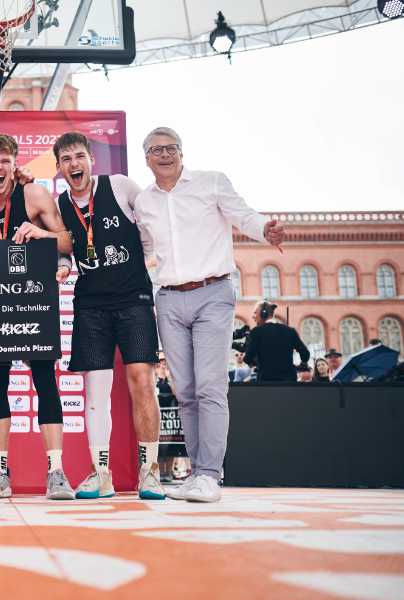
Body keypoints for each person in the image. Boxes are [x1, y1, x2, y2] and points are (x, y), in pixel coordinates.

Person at [133, 127, 285, 503]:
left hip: (213, 294)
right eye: (156, 150)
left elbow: (243, 215)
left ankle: (209, 475)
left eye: (171, 148)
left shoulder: (211, 182)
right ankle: (197, 472)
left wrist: (265, 229)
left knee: (210, 387)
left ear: (182, 153)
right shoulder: (145, 202)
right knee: (184, 391)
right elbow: (143, 246)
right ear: (147, 158)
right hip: (168, 298)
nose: (164, 155)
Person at [0, 133, 75, 500]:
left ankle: (57, 471)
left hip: (33, 298)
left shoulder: (35, 195)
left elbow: (69, 241)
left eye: (4, 161)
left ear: (14, 162)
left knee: (45, 380)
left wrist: (47, 243)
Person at [51, 131, 166, 501]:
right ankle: (101, 474)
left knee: (141, 382)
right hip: (91, 305)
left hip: (133, 299)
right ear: (58, 168)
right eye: (66, 159)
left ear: (91, 160)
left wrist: (152, 261)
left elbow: (152, 225)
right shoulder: (60, 204)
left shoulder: (119, 186)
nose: (74, 164)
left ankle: (150, 473)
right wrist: (64, 264)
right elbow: (66, 246)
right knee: (95, 391)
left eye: (79, 156)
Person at [243, 301, 310, 382]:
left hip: (266, 382)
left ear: (263, 314)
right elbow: (305, 354)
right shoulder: (290, 331)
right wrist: (300, 365)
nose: (253, 317)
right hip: (289, 381)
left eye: (255, 313)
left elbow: (247, 359)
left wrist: (256, 363)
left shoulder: (256, 332)